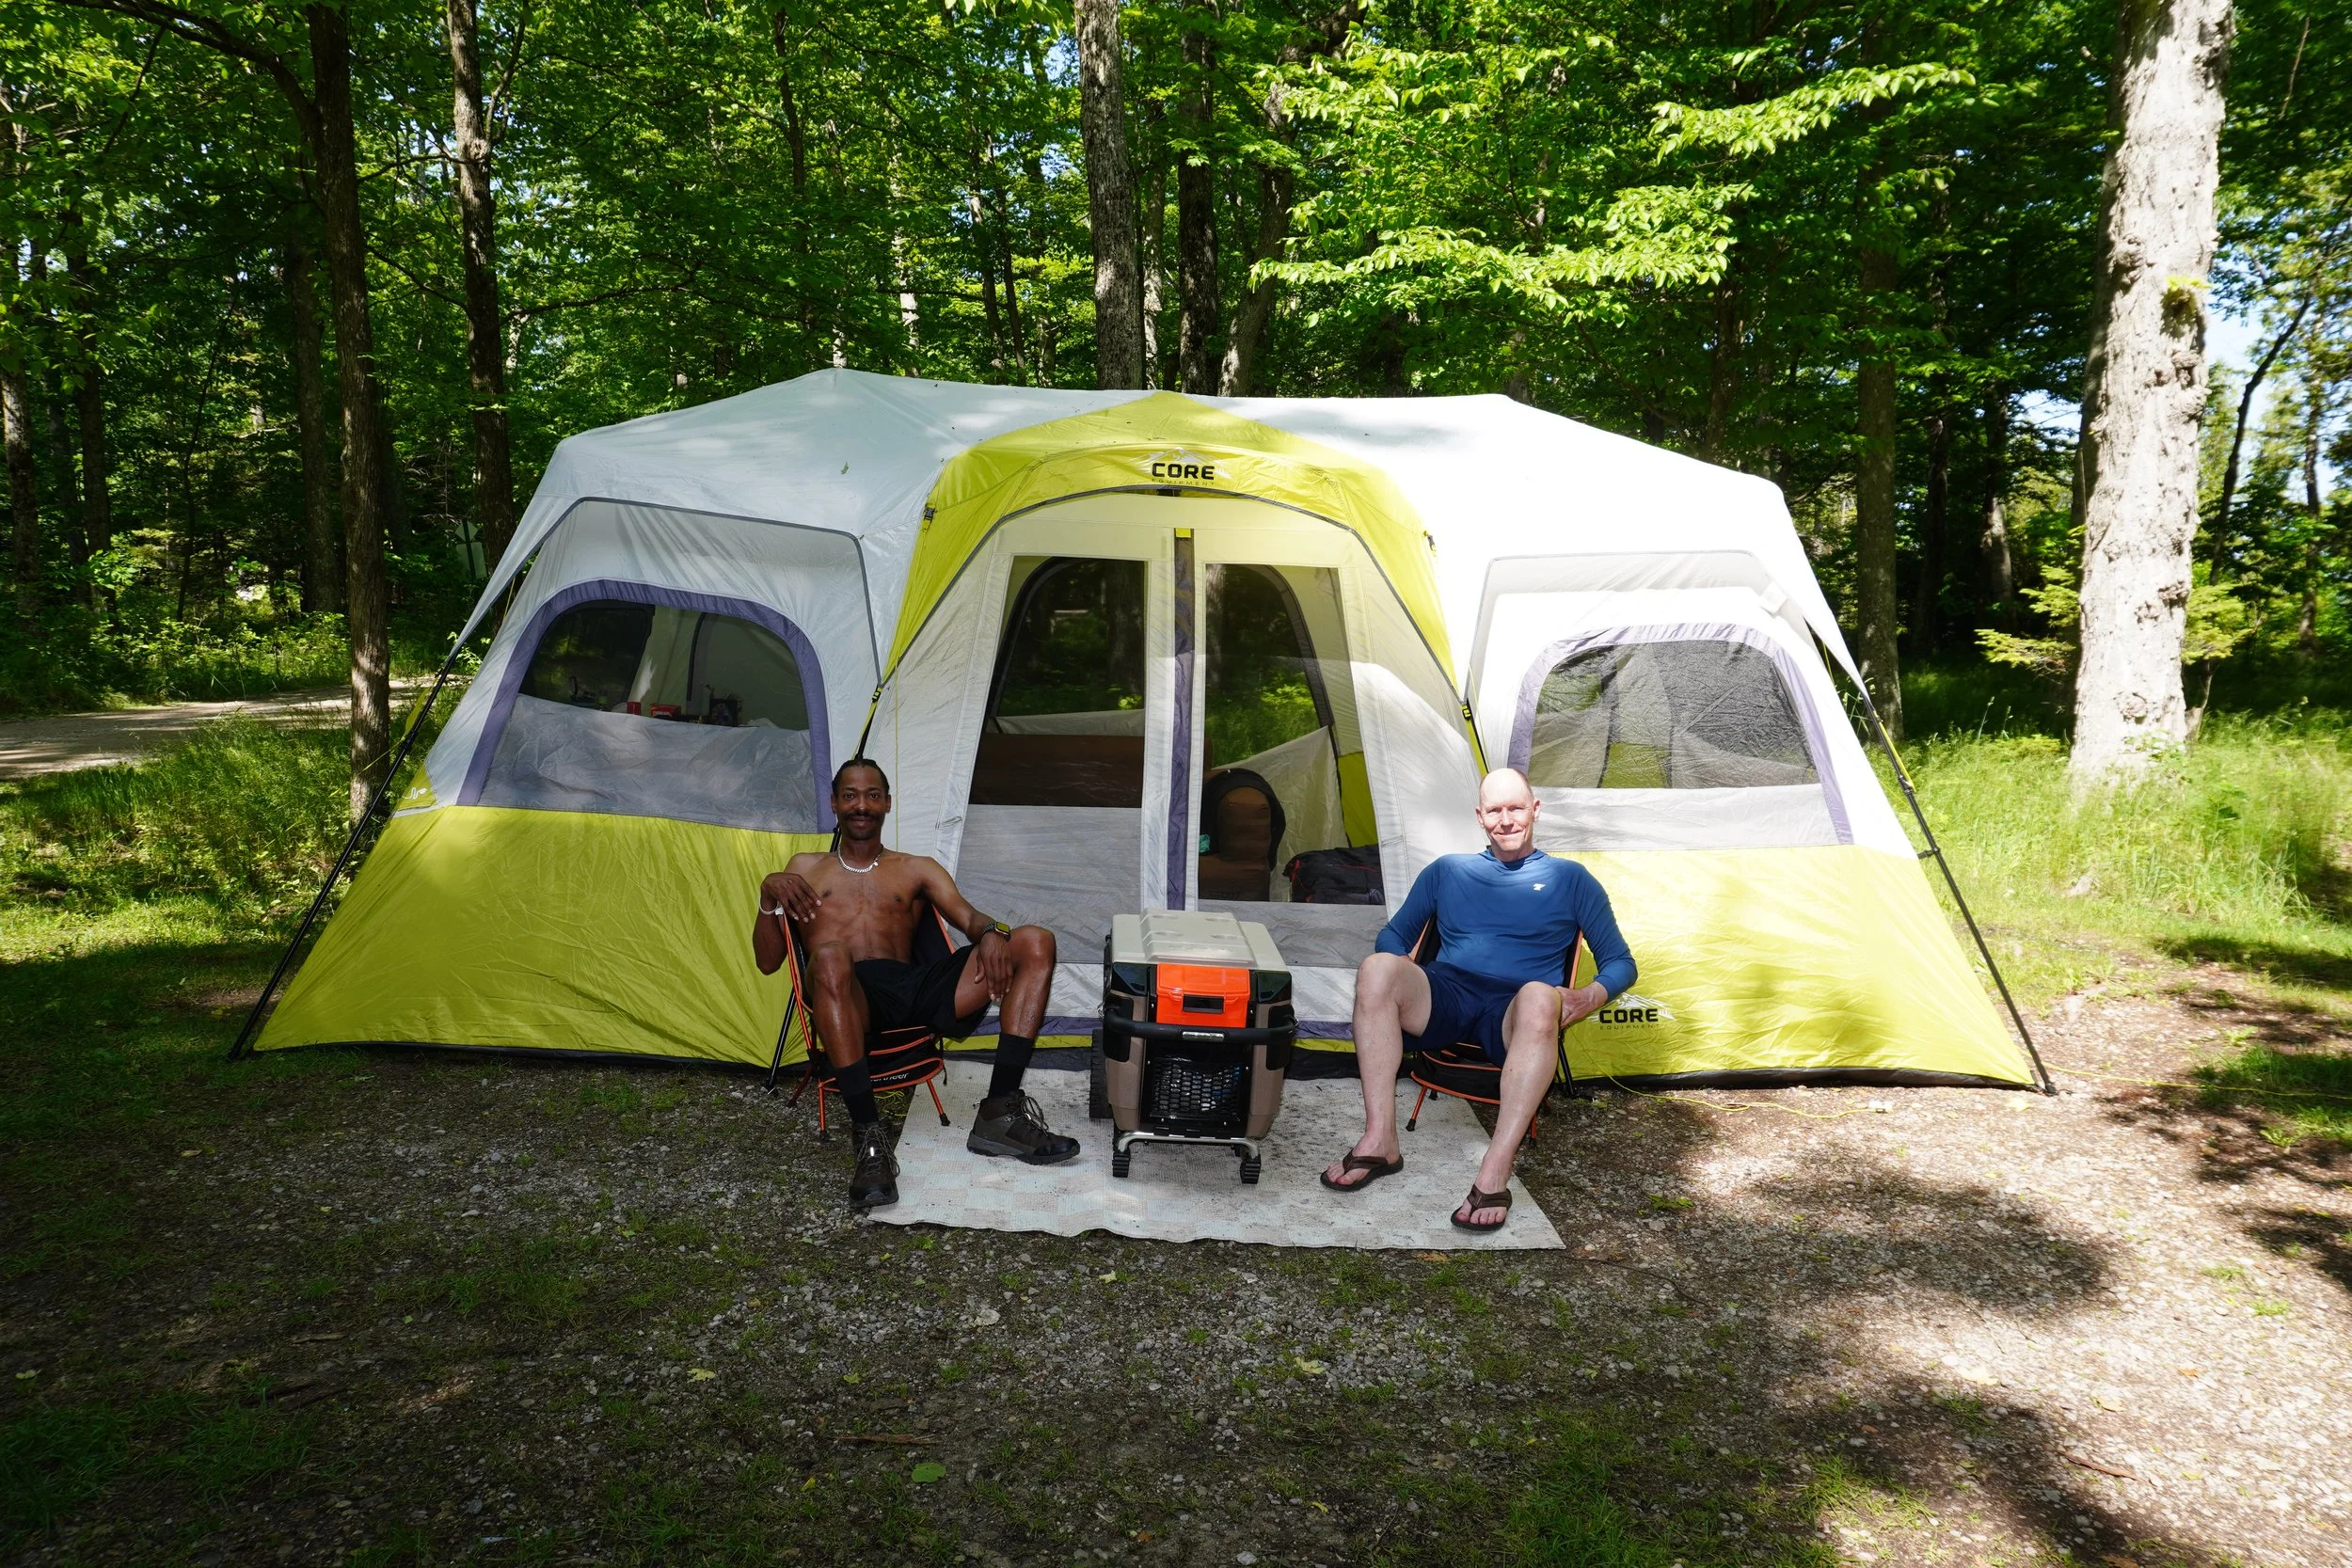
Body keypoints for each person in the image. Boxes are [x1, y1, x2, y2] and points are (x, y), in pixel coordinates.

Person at [754, 758, 1079, 1209]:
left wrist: (991, 934)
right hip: (848, 994)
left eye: (872, 795)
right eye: (850, 795)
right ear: (834, 804)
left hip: (915, 985)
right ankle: (870, 1139)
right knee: (829, 956)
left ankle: (999, 1114)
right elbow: (768, 962)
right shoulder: (804, 868)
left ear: (887, 803)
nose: (861, 805)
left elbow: (968, 916)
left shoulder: (917, 868)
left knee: (1035, 941)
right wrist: (768, 896)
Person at [1321, 768, 1636, 1230]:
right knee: (1376, 969)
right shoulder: (1448, 871)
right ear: (1479, 816)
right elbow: (1394, 934)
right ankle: (1379, 1139)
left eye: (1515, 807)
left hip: (1515, 1013)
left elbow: (1621, 963)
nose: (1505, 820)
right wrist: (1400, 968)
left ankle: (1496, 1169)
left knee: (1537, 996)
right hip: (1446, 995)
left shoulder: (1571, 879)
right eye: (1494, 810)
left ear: (1535, 809)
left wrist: (1591, 995)